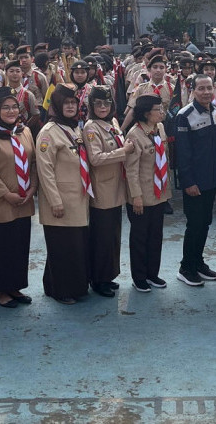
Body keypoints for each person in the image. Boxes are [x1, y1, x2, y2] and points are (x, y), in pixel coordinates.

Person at [0, 86, 37, 308]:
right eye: (5, 108)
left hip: (23, 199)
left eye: (14, 107)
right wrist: (6, 194)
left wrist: (32, 189)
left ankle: (15, 286)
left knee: (19, 244)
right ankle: (0, 290)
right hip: (0, 202)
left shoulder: (24, 131)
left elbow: (32, 163)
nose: (11, 111)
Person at [36, 84, 91, 304]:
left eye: (73, 103)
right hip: (61, 200)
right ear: (56, 106)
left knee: (74, 245)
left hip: (78, 198)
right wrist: (54, 201)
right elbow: (45, 169)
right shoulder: (48, 132)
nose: (70, 107)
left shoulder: (73, 128)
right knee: (62, 247)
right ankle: (62, 290)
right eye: (65, 103)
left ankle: (57, 285)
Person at [84, 86, 134, 297]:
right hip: (103, 189)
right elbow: (95, 159)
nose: (103, 107)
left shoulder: (111, 122)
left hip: (116, 187)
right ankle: (98, 278)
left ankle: (109, 275)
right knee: (102, 237)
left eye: (106, 103)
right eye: (98, 104)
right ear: (91, 106)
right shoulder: (91, 127)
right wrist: (124, 152)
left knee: (113, 235)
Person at [175, 74, 216, 286]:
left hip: (211, 179)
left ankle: (198, 262)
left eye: (209, 88)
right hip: (194, 181)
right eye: (201, 88)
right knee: (194, 225)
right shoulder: (185, 115)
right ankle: (186, 268)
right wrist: (188, 182)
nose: (206, 92)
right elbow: (182, 154)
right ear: (193, 90)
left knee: (205, 223)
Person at [125, 94, 171, 292]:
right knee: (140, 238)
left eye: (162, 108)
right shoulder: (134, 135)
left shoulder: (158, 128)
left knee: (155, 236)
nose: (161, 113)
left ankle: (153, 274)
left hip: (158, 192)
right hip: (141, 195)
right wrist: (136, 196)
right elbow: (131, 170)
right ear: (145, 113)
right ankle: (140, 277)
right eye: (157, 109)